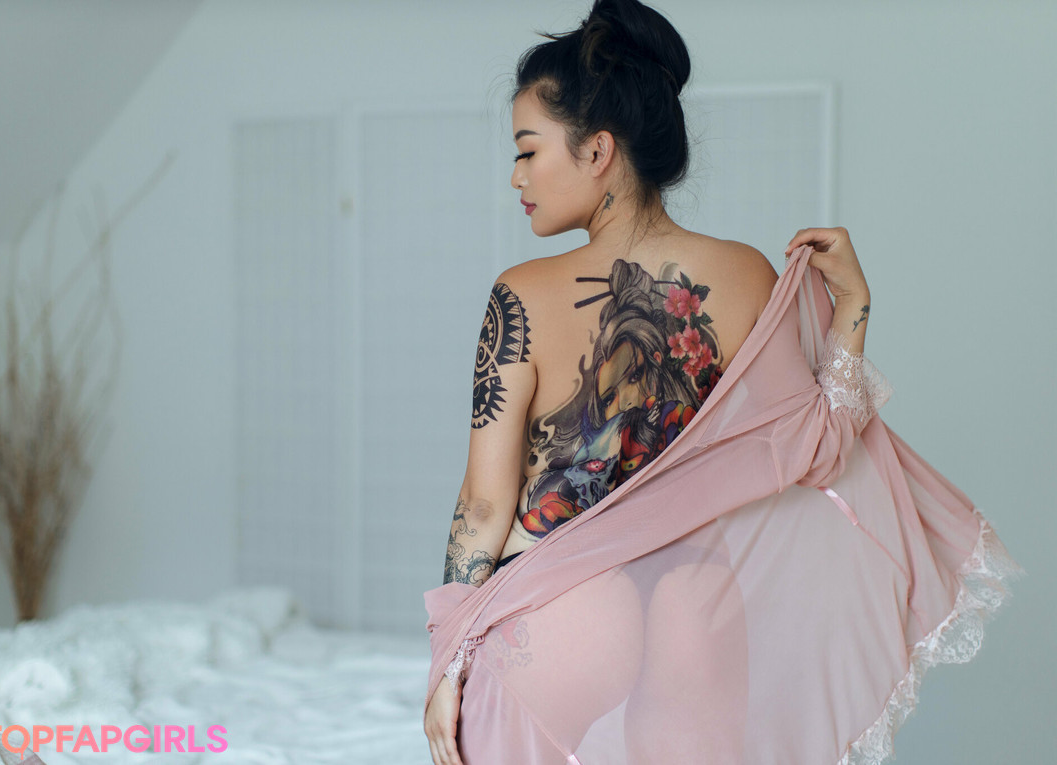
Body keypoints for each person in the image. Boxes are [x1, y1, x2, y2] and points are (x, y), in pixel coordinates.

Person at [423, 1, 1020, 763]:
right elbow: (819, 449)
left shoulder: (521, 293)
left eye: (528, 151)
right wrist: (852, 305)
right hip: (696, 599)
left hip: (557, 601)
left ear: (598, 149)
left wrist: (448, 654)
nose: (517, 176)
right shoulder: (746, 275)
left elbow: (483, 505)